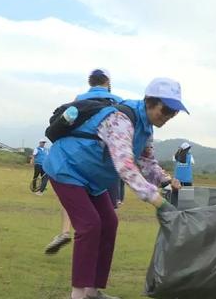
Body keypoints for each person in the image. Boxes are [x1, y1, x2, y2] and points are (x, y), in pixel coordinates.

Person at [43, 77, 187, 299]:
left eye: (174, 112)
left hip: (93, 178)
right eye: (166, 109)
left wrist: (165, 181)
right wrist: (158, 202)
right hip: (67, 168)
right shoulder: (121, 119)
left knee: (109, 223)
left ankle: (92, 290)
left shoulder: (146, 127)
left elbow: (147, 162)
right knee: (90, 225)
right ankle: (77, 294)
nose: (168, 117)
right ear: (150, 101)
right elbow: (126, 167)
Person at [45, 68, 122, 255]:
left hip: (72, 163)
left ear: (90, 82)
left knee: (74, 201)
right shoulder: (118, 102)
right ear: (107, 82)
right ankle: (97, 251)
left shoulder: (79, 100)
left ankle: (64, 231)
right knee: (107, 212)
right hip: (103, 165)